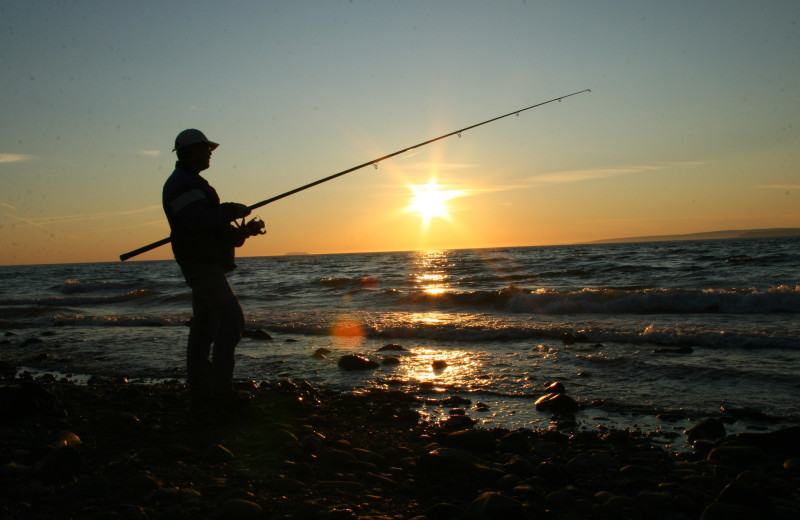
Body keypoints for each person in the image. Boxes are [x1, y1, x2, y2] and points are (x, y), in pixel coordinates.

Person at [162, 129, 262, 408]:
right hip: (200, 264)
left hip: (204, 260)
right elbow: (198, 220)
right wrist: (230, 209)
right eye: (205, 149)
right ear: (190, 151)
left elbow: (208, 228)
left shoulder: (189, 181)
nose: (209, 153)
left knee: (204, 326)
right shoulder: (182, 184)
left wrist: (243, 232)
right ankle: (220, 391)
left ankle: (201, 392)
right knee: (232, 321)